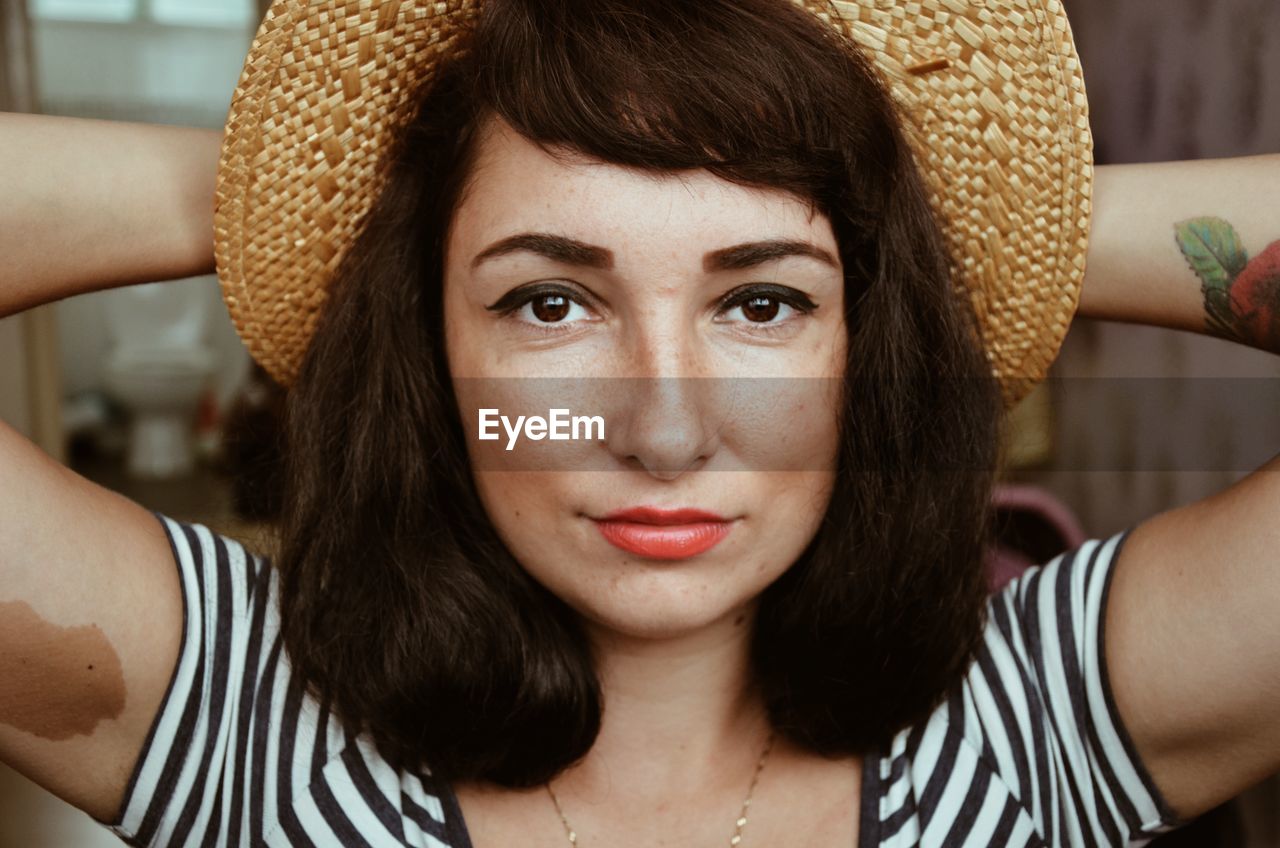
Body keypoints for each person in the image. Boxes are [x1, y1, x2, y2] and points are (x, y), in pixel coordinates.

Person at [0, 0, 1277, 846]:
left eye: (763, 301)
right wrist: (293, 205)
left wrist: (986, 231)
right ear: (429, 345)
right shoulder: (240, 703)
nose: (664, 428)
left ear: (861, 349)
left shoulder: (1038, 711)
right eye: (548, 300)